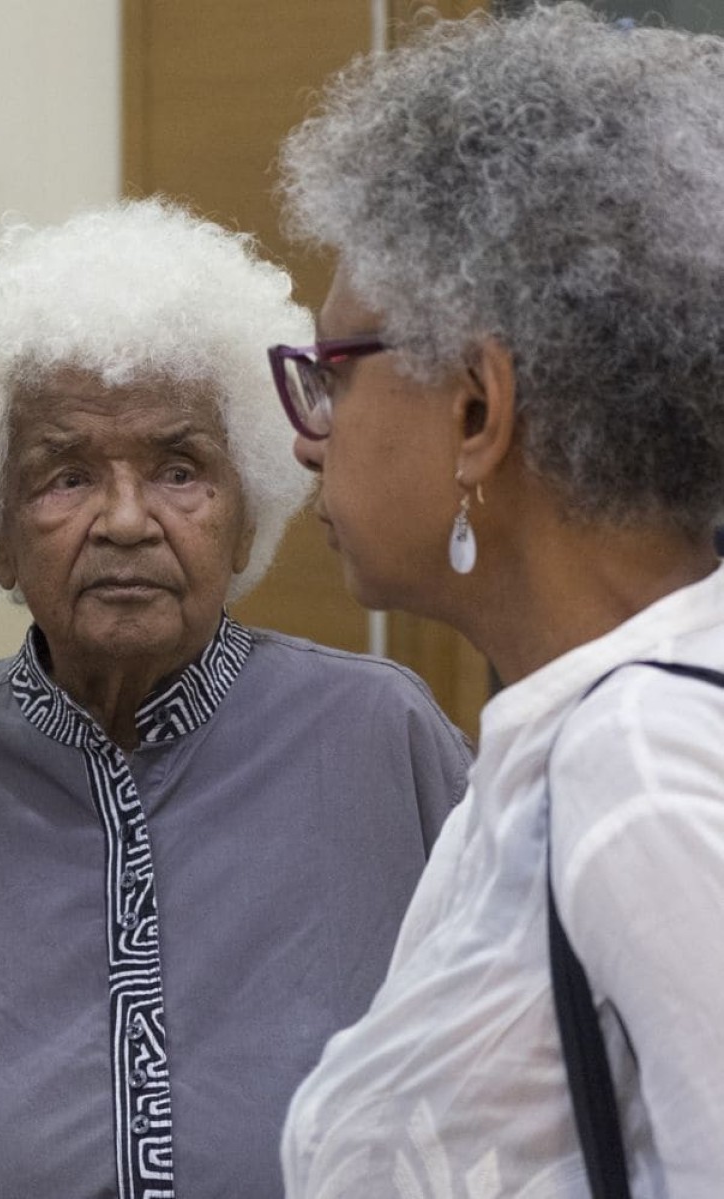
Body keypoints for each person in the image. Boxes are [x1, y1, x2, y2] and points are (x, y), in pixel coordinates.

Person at [0, 199, 472, 1199]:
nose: (126, 520)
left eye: (180, 469)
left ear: (246, 513)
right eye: (66, 475)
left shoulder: (377, 735)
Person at [270, 5, 724, 1196]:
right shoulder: (558, 742)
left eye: (331, 373)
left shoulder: (641, 769)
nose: (310, 441)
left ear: (476, 408)